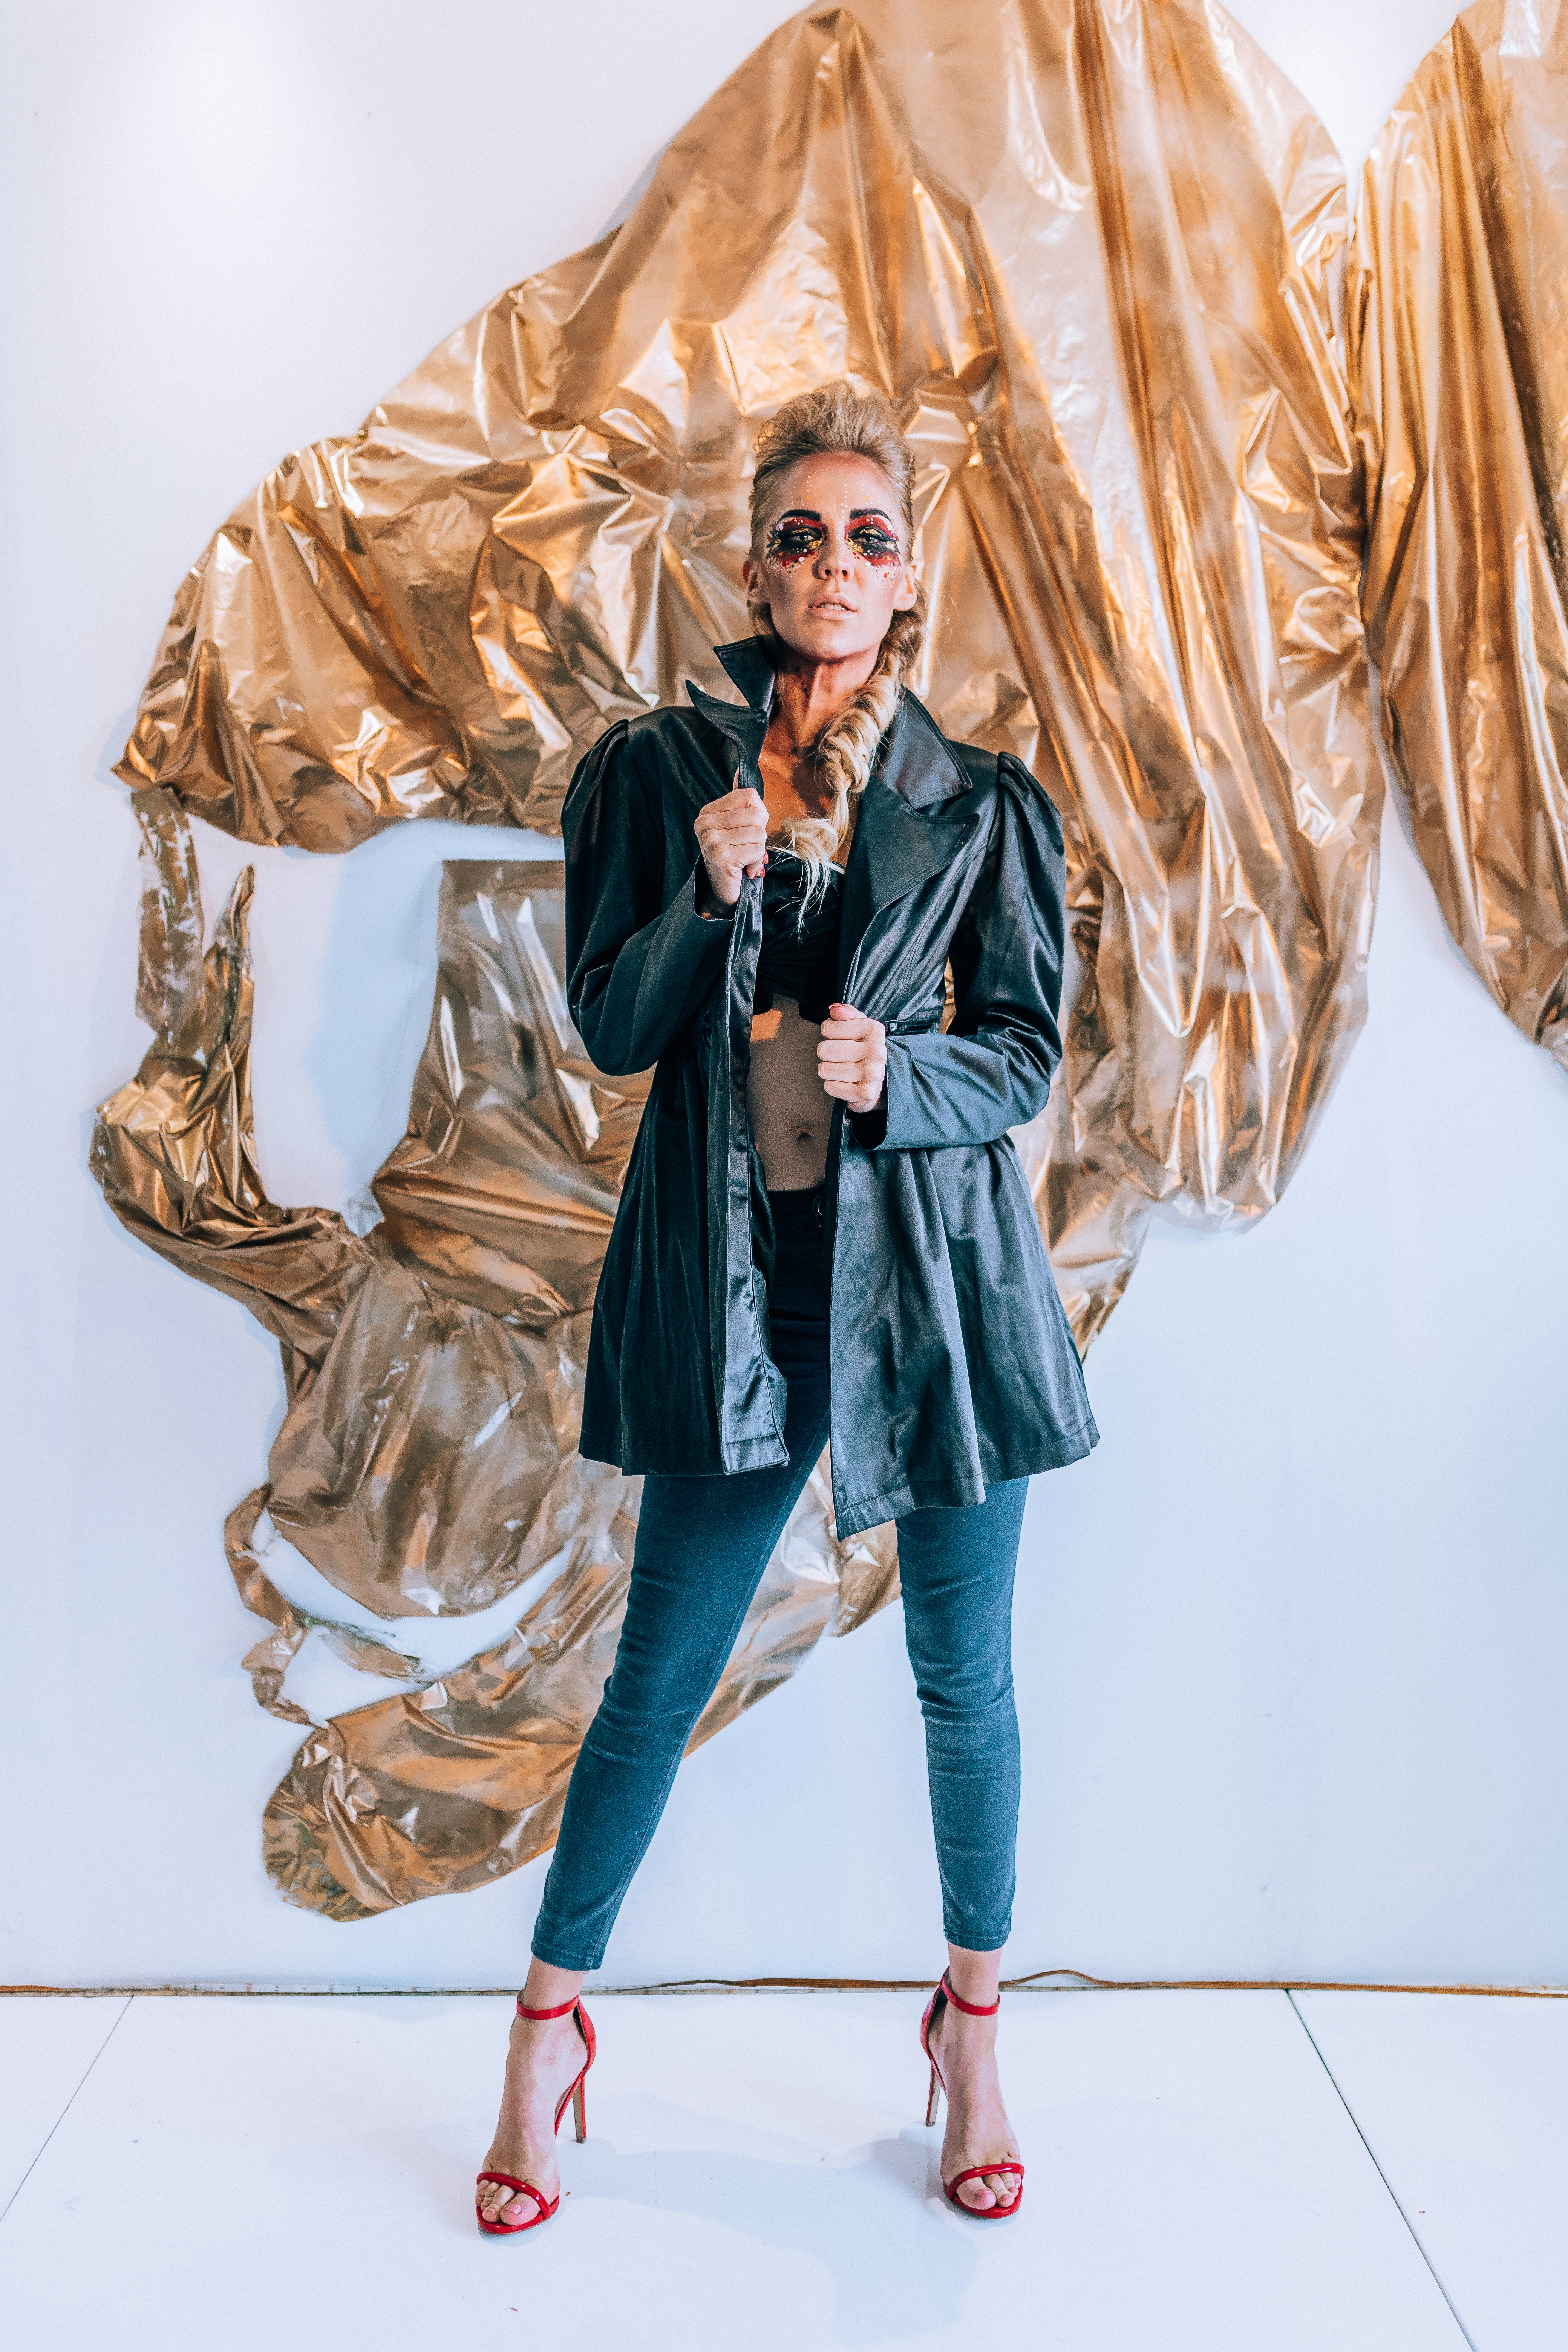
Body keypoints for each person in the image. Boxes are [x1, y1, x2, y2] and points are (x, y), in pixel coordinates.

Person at [475, 381, 1097, 2236]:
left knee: (960, 1687)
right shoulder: (654, 771)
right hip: (744, 1303)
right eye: (802, 534)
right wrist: (707, 884)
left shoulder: (978, 805)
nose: (835, 565)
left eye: (871, 537)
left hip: (938, 1304)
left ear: (907, 583)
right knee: (652, 1683)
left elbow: (1021, 1057)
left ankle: (971, 2035)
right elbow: (607, 1023)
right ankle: (541, 2033)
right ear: (754, 563)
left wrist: (894, 1070)